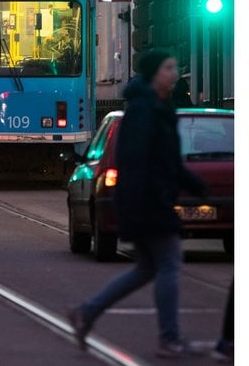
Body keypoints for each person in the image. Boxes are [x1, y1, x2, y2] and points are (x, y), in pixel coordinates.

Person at [67, 49, 207, 357]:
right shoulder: (145, 111)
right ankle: (169, 339)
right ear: (155, 73)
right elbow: (139, 160)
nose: (175, 73)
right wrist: (163, 192)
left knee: (145, 269)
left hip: (145, 200)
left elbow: (166, 160)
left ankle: (86, 312)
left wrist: (196, 186)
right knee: (169, 263)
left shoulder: (157, 107)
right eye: (170, 68)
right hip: (147, 202)